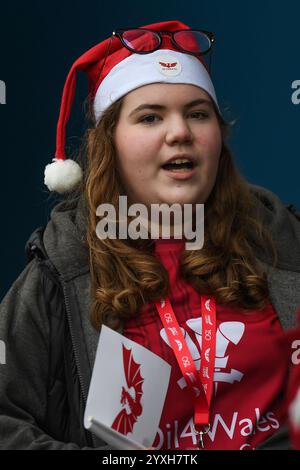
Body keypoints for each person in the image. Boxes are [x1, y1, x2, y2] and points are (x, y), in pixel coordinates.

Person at [0, 19, 300, 451]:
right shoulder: (61, 270)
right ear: (111, 144)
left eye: (198, 114)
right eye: (150, 117)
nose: (180, 132)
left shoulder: (283, 242)